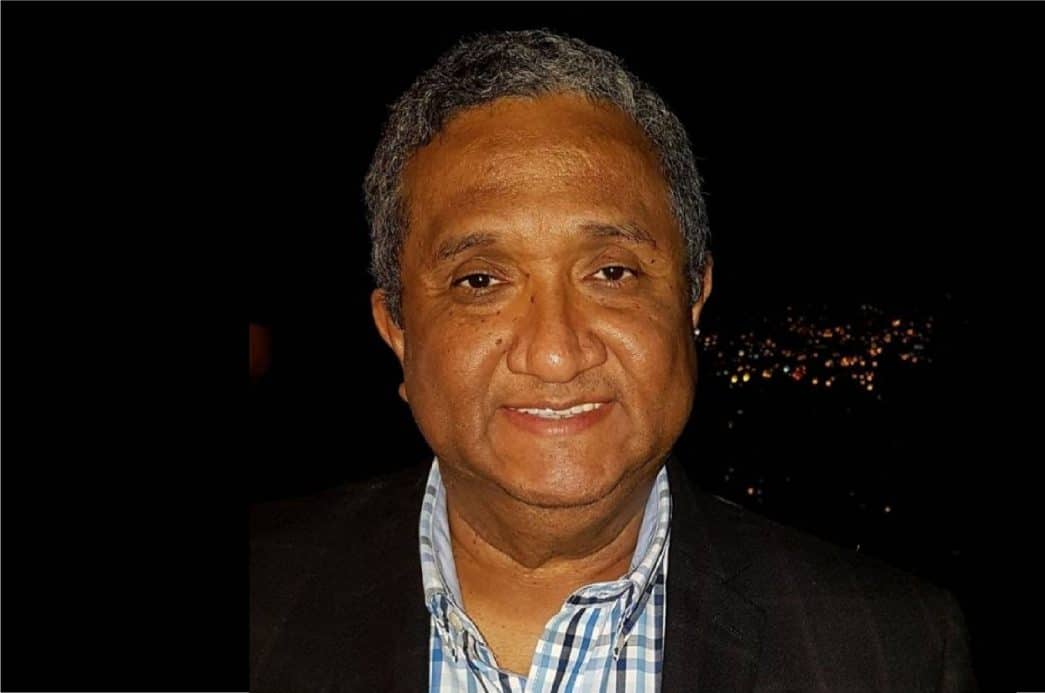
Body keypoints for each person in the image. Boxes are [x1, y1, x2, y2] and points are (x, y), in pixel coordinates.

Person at [250, 30, 976, 692]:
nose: (556, 353)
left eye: (612, 272)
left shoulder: (892, 653)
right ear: (398, 330)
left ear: (692, 299)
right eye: (480, 281)